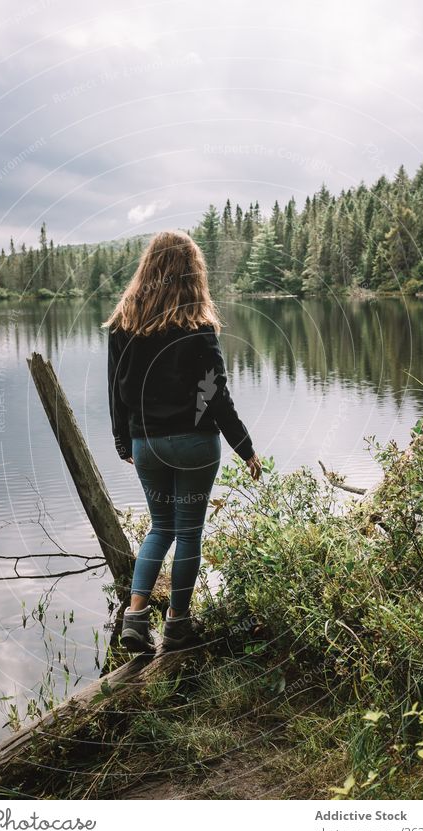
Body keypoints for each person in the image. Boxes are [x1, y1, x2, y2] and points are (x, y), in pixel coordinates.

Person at [102, 229, 261, 653]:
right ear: (193, 273)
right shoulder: (198, 324)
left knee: (161, 527)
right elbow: (216, 393)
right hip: (194, 444)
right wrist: (245, 447)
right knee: (188, 532)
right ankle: (177, 624)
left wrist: (124, 442)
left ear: (147, 269)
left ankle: (135, 617)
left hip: (147, 444)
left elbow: (116, 390)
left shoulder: (124, 323)